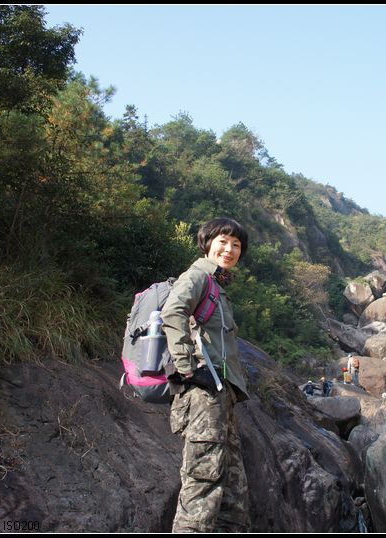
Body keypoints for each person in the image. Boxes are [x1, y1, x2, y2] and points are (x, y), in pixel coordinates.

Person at [162, 218, 251, 532]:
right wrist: (187, 367)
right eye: (223, 241)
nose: (229, 249)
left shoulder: (218, 286)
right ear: (207, 243)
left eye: (236, 245)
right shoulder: (198, 276)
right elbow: (173, 311)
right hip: (203, 394)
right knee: (203, 481)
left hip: (220, 393)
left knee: (233, 491)